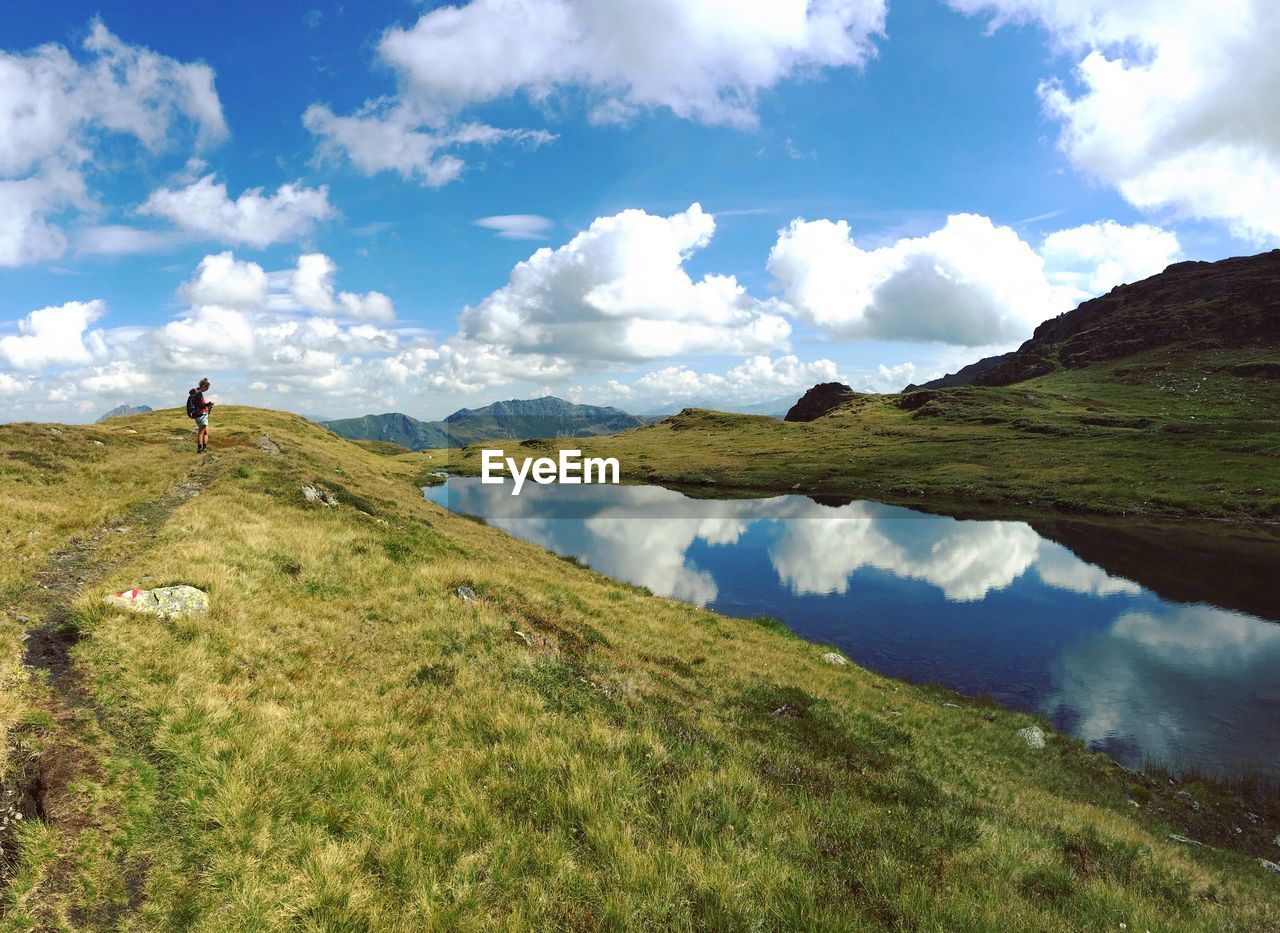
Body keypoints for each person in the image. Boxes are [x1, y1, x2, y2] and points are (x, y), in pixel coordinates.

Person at [189, 378, 214, 453]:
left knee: (205, 432)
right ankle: (200, 449)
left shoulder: (198, 393)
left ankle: (204, 448)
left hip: (200, 414)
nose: (207, 389)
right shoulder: (198, 393)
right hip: (200, 414)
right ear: (203, 386)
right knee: (202, 432)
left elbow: (199, 404)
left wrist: (206, 405)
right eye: (206, 388)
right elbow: (200, 405)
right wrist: (207, 404)